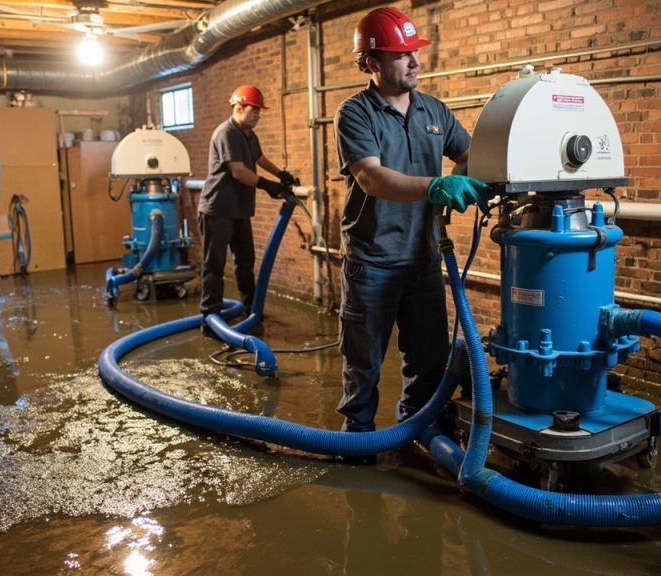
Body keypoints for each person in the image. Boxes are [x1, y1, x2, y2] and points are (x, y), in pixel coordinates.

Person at [333, 7, 490, 434]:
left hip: (422, 258)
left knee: (429, 359)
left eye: (414, 52)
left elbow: (469, 154)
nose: (415, 61)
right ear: (372, 62)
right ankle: (357, 441)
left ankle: (418, 431)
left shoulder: (433, 111)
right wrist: (436, 187)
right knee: (363, 362)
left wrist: (466, 179)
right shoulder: (355, 113)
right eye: (402, 54)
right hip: (373, 260)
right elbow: (371, 178)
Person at [198, 85, 296, 335]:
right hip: (217, 210)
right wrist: (268, 185)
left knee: (245, 261)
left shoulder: (249, 135)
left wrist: (281, 175)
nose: (258, 116)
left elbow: (259, 159)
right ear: (239, 108)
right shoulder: (226, 132)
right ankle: (209, 319)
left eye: (260, 111)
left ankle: (251, 310)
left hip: (239, 209)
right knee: (214, 265)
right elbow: (238, 171)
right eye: (255, 110)